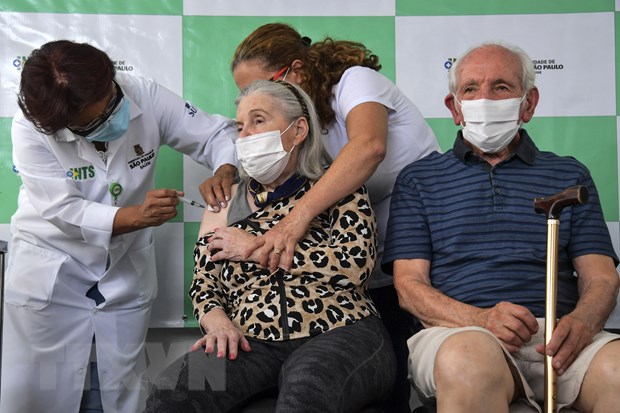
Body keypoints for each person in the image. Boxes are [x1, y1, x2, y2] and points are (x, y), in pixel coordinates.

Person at [200, 22, 440, 412]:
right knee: (177, 391)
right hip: (271, 330)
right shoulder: (253, 179)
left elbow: (368, 148)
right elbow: (204, 276)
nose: (257, 106)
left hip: (400, 260)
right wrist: (215, 319)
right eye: (245, 104)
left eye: (265, 91)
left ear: (296, 72)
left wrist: (276, 234)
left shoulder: (354, 88)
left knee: (396, 374)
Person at [382, 41, 620, 413]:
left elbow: (601, 277)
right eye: (471, 89)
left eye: (502, 87)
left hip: (561, 338)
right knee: (468, 359)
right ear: (454, 108)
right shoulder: (419, 180)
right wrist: (481, 320)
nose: (485, 99)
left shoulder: (569, 174)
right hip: (459, 332)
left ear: (529, 103)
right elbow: (409, 287)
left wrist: (583, 323)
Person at [0, 40, 237, 413]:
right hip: (51, 266)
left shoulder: (143, 92)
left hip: (123, 266)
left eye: (111, 104)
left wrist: (225, 167)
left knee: (120, 388)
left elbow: (215, 135)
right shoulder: (31, 128)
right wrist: (137, 216)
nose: (112, 119)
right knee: (38, 393)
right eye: (92, 123)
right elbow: (62, 210)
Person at [145, 79, 396, 412]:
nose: (245, 135)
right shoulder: (226, 200)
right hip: (250, 340)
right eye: (239, 126)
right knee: (170, 394)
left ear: (298, 130)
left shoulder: (338, 187)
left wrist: (255, 248)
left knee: (306, 390)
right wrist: (217, 321)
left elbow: (354, 266)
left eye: (258, 121)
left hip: (338, 329)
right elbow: (204, 283)